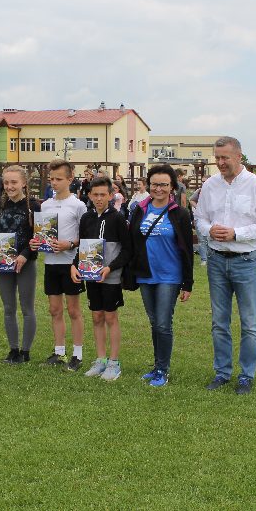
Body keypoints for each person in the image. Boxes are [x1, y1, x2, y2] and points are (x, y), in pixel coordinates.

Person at [194, 136, 256, 395]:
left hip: (246, 261)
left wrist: (236, 234)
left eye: (225, 158)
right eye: (217, 158)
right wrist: (209, 230)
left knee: (249, 322)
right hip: (217, 260)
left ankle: (246, 376)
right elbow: (200, 218)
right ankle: (222, 372)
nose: (220, 163)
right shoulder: (210, 185)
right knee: (219, 321)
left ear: (239, 156)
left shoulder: (255, 185)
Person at [129, 164, 194, 388]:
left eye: (164, 185)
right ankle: (157, 365)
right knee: (154, 322)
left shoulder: (180, 213)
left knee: (163, 323)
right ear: (148, 185)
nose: (158, 189)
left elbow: (187, 249)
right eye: (154, 184)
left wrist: (188, 283)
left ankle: (162, 370)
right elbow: (132, 241)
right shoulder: (139, 209)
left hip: (170, 276)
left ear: (172, 186)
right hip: (146, 274)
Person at [29, 159, 88, 371]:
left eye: (59, 179)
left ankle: (77, 354)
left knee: (73, 310)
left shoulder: (78, 205)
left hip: (70, 264)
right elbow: (41, 235)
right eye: (51, 179)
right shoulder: (45, 205)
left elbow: (86, 237)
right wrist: (36, 242)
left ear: (70, 179)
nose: (54, 183)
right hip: (51, 263)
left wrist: (69, 244)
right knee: (54, 310)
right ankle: (59, 352)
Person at [73, 176, 132, 382]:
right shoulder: (86, 218)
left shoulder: (118, 218)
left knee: (110, 317)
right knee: (96, 316)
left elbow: (127, 250)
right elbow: (82, 246)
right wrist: (74, 265)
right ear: (89, 195)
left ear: (111, 195)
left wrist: (110, 268)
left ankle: (114, 363)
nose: (99, 198)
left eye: (103, 194)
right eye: (95, 194)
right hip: (91, 276)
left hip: (110, 277)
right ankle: (100, 360)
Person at [0, 165, 41, 364]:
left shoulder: (34, 206)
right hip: (4, 264)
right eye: (6, 182)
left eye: (14, 182)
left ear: (24, 183)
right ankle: (13, 350)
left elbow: (39, 236)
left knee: (27, 308)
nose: (9, 186)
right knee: (8, 308)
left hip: (25, 263)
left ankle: (25, 352)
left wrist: (25, 255)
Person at [188, 177, 210, 266]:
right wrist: (198, 208)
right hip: (200, 218)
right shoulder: (199, 191)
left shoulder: (215, 190)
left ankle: (211, 258)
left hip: (211, 219)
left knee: (210, 239)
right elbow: (191, 200)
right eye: (202, 181)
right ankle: (204, 259)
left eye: (205, 181)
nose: (203, 183)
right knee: (201, 240)